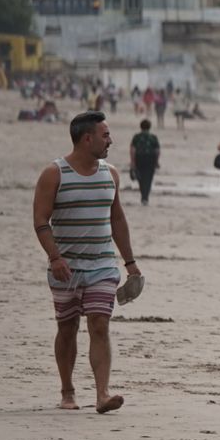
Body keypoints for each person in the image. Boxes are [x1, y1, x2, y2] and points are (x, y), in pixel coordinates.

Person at [31, 111, 142, 413]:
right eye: (105, 135)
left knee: (99, 324)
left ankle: (102, 394)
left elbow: (116, 218)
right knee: (67, 328)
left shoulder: (111, 174)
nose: (110, 140)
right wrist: (54, 257)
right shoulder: (54, 174)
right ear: (87, 138)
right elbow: (41, 220)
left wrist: (130, 262)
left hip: (102, 266)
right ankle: (67, 391)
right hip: (65, 268)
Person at [128, 119, 160, 206]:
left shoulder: (137, 137)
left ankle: (143, 196)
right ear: (149, 127)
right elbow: (157, 150)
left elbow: (133, 150)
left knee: (140, 178)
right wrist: (157, 161)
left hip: (139, 159)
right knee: (148, 179)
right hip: (150, 159)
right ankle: (145, 197)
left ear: (140, 127)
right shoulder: (153, 137)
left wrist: (132, 162)